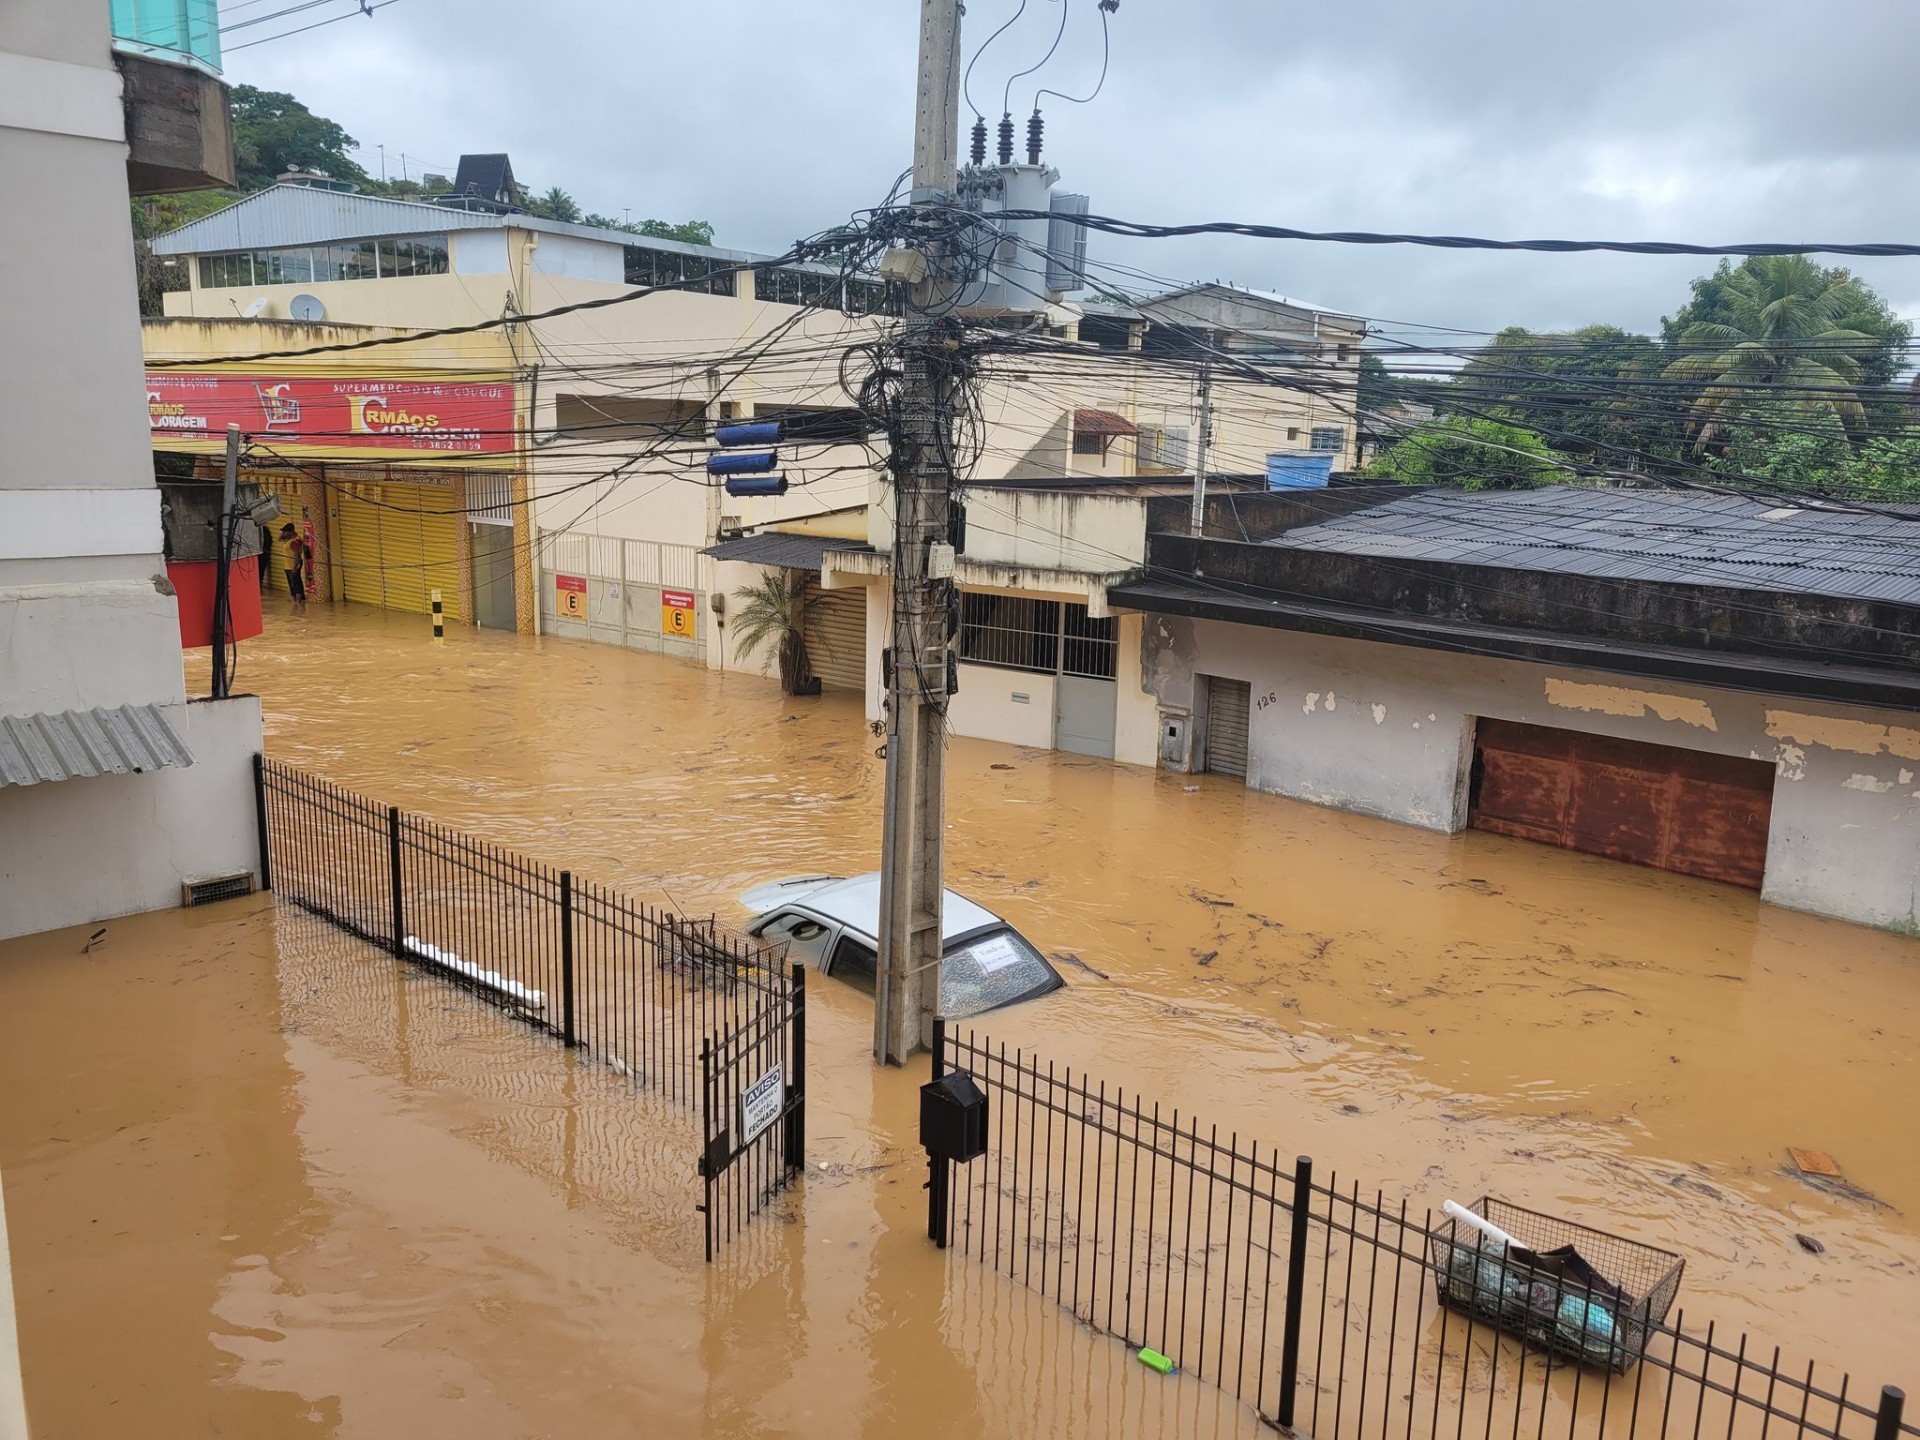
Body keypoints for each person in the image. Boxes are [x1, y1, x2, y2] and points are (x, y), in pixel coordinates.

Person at [279, 523, 310, 612]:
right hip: (287, 565)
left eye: (285, 532)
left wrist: (294, 568)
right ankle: (295, 601)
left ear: (291, 532)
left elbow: (296, 556)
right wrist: (282, 533)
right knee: (291, 583)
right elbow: (279, 539)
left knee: (296, 583)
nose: (283, 533)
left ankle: (298, 602)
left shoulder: (294, 542)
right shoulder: (288, 539)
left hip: (293, 564)